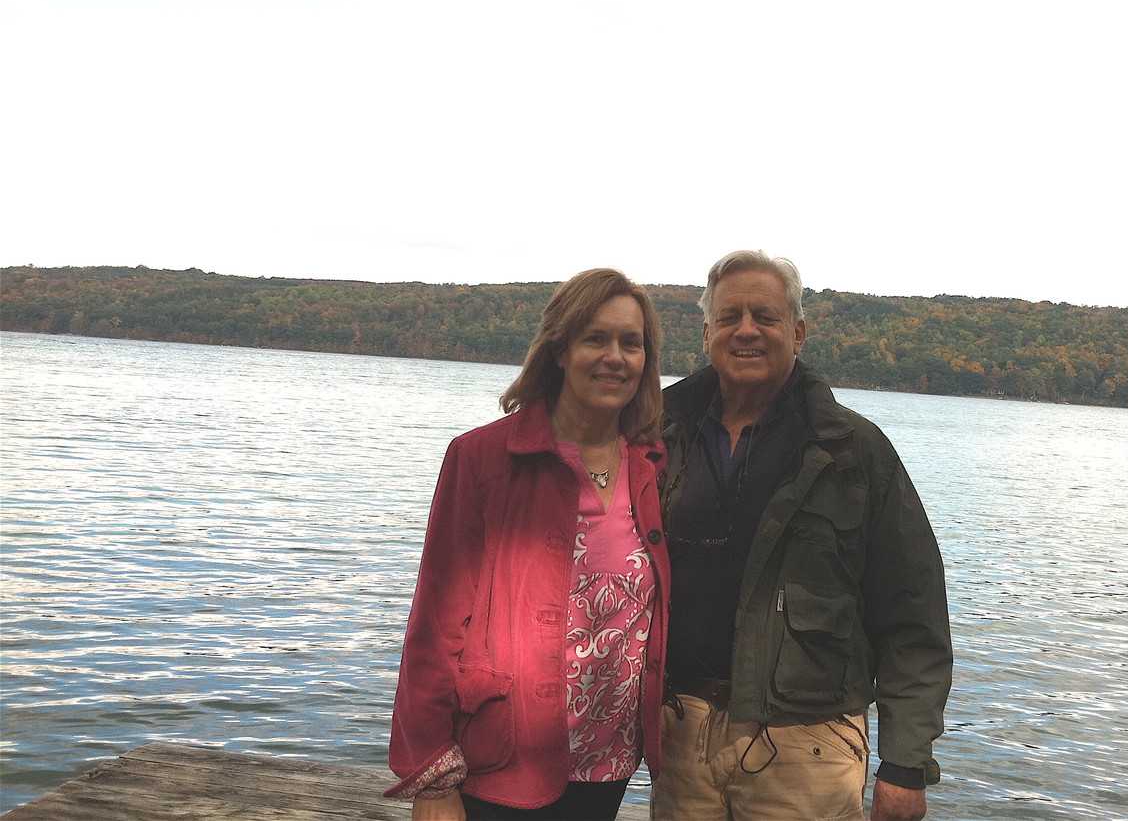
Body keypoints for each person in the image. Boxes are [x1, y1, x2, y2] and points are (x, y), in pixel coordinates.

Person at [653, 251, 952, 821]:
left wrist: (905, 765)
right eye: (730, 315)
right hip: (681, 734)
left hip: (807, 743)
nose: (746, 330)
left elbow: (914, 619)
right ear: (707, 332)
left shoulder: (854, 451)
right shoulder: (658, 433)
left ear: (798, 332)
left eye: (764, 316)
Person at [386, 269, 671, 821]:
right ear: (560, 351)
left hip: (608, 761)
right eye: (595, 338)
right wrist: (432, 776)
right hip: (501, 761)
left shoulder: (653, 463)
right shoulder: (483, 459)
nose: (615, 356)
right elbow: (435, 623)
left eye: (630, 343)